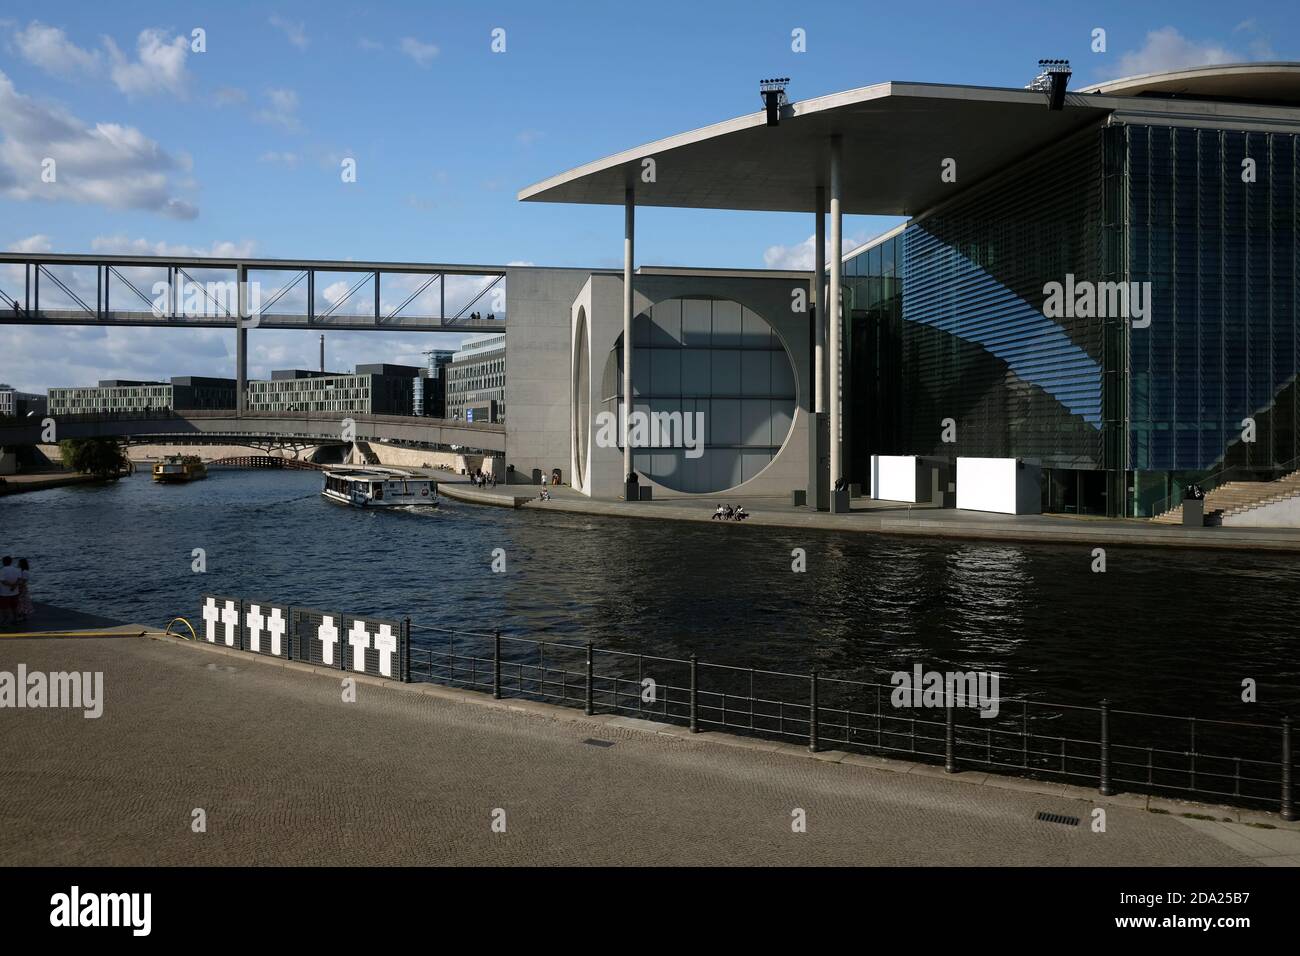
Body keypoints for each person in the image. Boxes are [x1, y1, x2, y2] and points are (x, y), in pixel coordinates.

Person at [0, 557, 19, 625]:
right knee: (14, 607)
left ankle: (5, 620)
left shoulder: (2, 570)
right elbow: (19, 579)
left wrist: (11, 585)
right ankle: (15, 619)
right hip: (15, 592)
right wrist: (14, 586)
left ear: (3, 562)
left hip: (4, 593)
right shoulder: (17, 570)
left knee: (4, 608)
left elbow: (3, 581)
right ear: (11, 562)